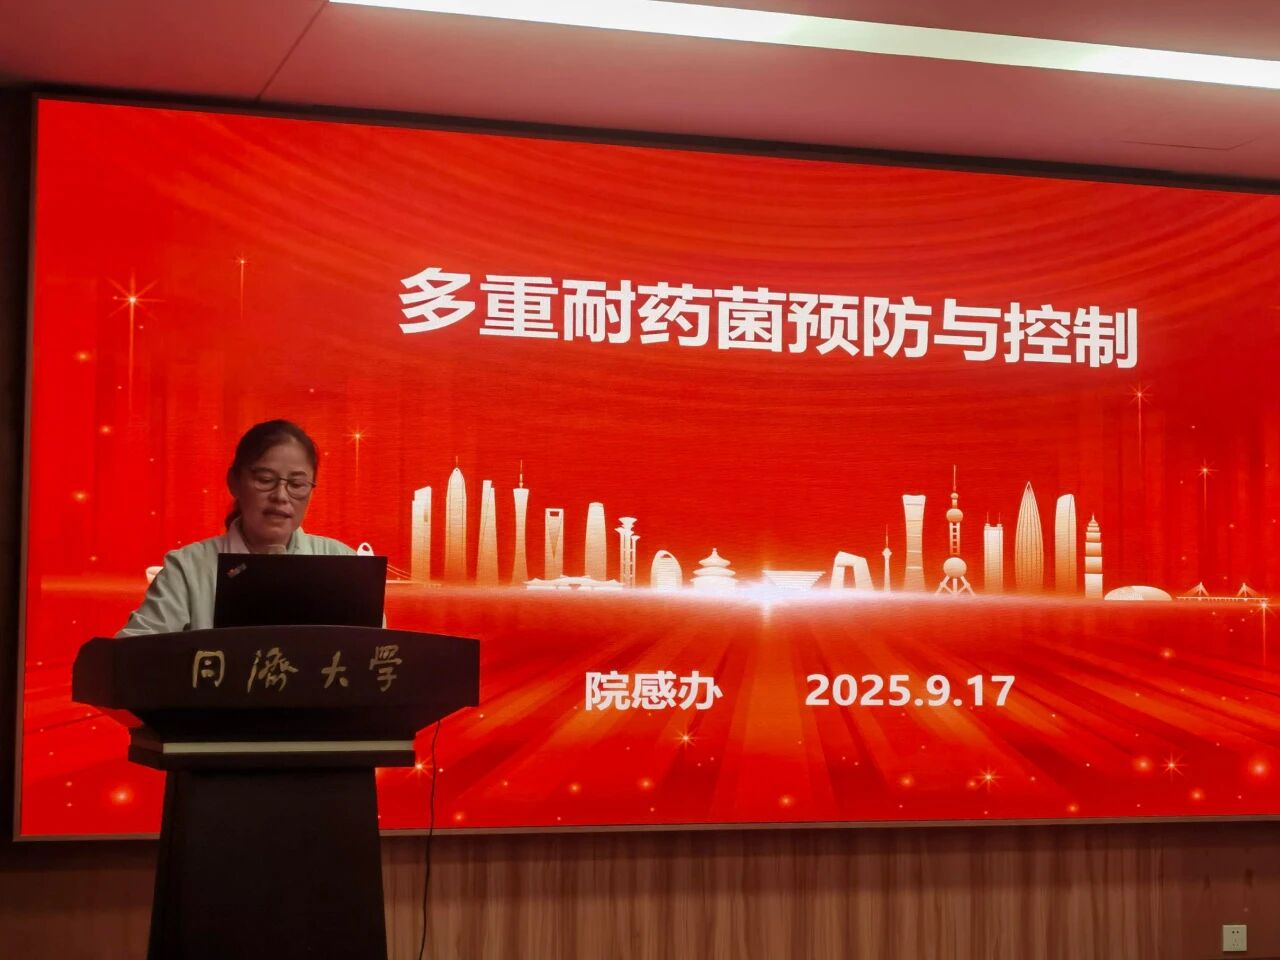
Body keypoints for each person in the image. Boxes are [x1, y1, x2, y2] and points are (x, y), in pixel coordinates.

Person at [117, 419, 354, 636]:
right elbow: (131, 651)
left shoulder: (343, 564)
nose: (281, 496)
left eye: (297, 484)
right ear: (234, 482)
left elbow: (369, 653)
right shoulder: (187, 569)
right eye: (265, 480)